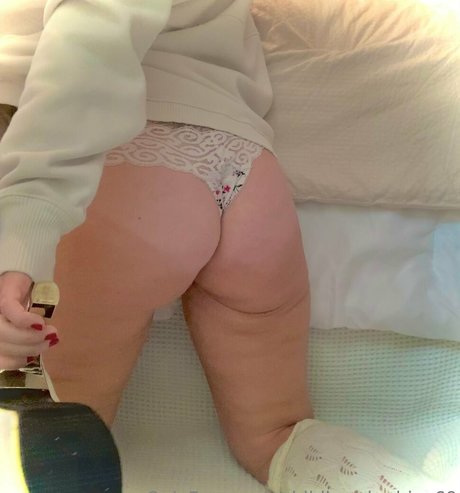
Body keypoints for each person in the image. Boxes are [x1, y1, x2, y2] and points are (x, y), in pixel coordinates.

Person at [0, 1, 441, 491]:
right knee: (279, 431)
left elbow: (87, 48)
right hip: (243, 162)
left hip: (113, 163)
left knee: (58, 430)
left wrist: (24, 220)